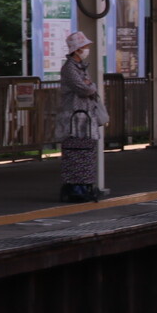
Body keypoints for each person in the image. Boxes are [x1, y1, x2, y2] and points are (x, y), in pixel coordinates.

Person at [56, 31, 108, 201]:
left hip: (85, 117)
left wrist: (89, 85)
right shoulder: (70, 68)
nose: (87, 49)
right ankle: (76, 188)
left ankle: (84, 186)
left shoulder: (80, 67)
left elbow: (88, 86)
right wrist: (90, 86)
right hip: (74, 119)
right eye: (84, 46)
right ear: (77, 49)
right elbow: (85, 89)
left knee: (85, 153)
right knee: (77, 153)